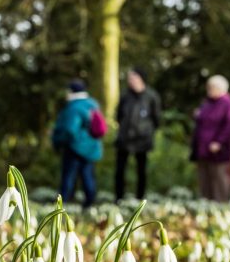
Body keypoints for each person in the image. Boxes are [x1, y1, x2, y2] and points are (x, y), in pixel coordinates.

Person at [52, 80, 103, 207]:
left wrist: (58, 141)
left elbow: (70, 130)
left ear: (71, 91)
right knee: (88, 176)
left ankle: (62, 203)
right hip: (91, 147)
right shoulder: (92, 104)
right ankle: (90, 203)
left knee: (68, 176)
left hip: (75, 147)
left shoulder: (74, 107)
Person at [114, 67, 161, 201]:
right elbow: (119, 115)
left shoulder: (151, 96)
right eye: (129, 79)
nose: (131, 81)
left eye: (133, 78)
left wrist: (146, 131)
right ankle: (119, 197)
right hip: (124, 138)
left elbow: (157, 119)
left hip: (142, 140)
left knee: (141, 171)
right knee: (120, 170)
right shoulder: (125, 96)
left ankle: (140, 198)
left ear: (141, 79)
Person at [190, 75, 230, 202]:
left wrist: (219, 142)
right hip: (202, 147)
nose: (209, 89)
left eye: (212, 87)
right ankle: (206, 203)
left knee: (219, 177)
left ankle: (221, 204)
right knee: (204, 178)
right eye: (209, 87)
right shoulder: (207, 102)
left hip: (218, 148)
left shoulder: (228, 103)